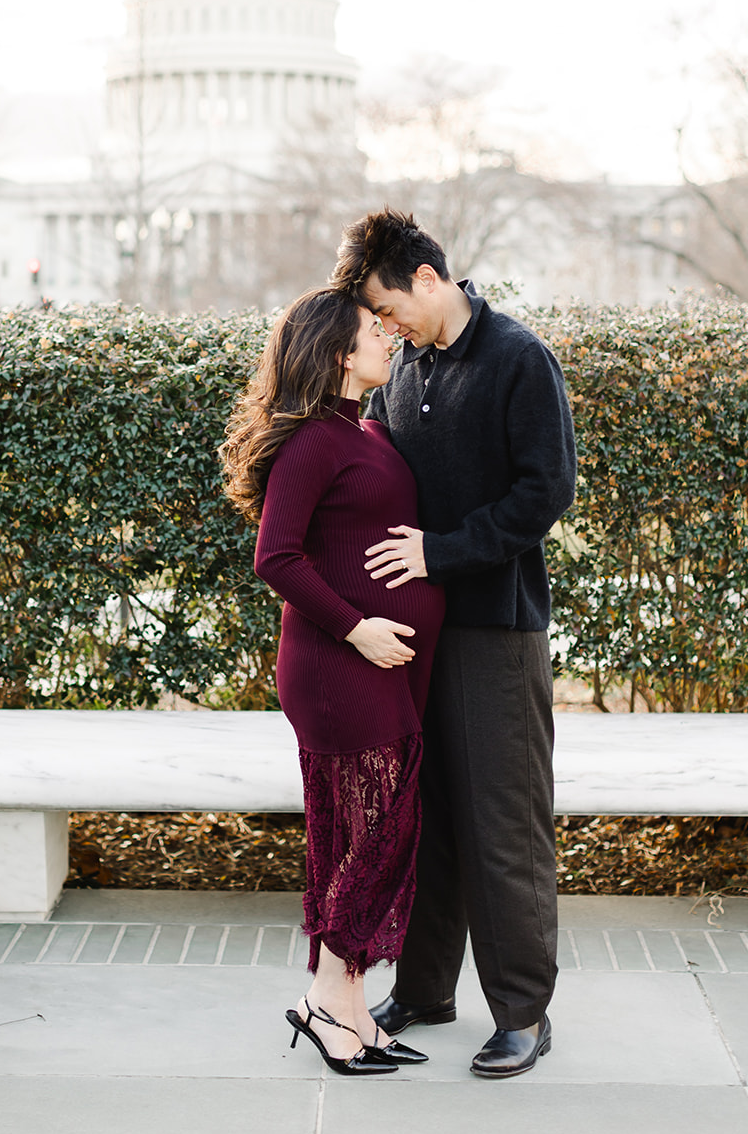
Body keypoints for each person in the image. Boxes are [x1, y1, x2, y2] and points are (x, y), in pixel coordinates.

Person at [329, 208, 577, 1080]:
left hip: (495, 635)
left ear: (426, 279)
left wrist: (442, 550)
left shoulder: (517, 359)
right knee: (424, 820)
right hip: (412, 640)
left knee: (501, 828)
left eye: (386, 307)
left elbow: (543, 493)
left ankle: (521, 1014)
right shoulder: (404, 372)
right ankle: (428, 990)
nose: (383, 326)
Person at [221, 287, 445, 1077]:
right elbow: (275, 557)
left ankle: (348, 1010)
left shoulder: (368, 431)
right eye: (372, 332)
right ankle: (326, 1001)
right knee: (376, 834)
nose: (388, 339)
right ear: (341, 354)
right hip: (334, 667)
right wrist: (357, 627)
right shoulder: (315, 440)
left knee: (354, 837)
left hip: (384, 664)